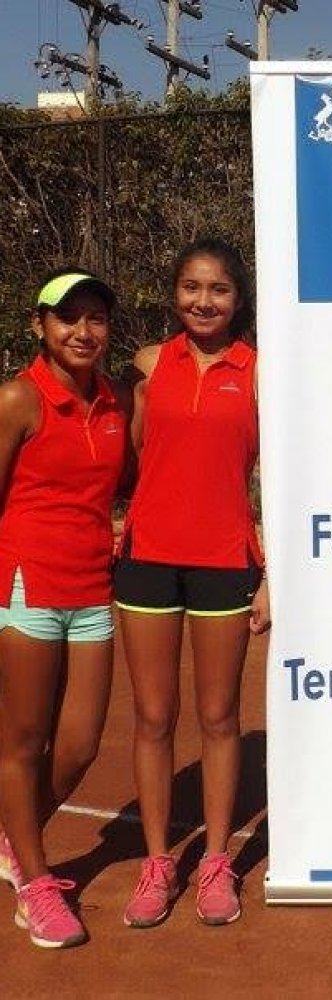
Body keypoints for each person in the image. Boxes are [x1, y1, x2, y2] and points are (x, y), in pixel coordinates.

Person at [114, 237, 270, 929]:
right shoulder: (149, 364)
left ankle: (213, 862)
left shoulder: (262, 371)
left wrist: (270, 570)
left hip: (223, 560)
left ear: (239, 299)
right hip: (148, 558)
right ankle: (156, 863)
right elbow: (140, 456)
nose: (203, 301)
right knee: (152, 717)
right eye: (190, 287)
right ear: (174, 293)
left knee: (218, 718)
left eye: (218, 290)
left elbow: (277, 474)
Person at [0, 270, 129, 948]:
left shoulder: (114, 402)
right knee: (23, 741)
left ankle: (15, 841)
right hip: (27, 588)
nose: (83, 331)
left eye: (95, 318)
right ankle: (35, 884)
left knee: (77, 745)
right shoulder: (18, 399)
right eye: (67, 318)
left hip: (90, 588)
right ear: (39, 327)